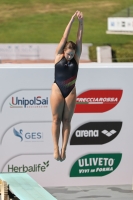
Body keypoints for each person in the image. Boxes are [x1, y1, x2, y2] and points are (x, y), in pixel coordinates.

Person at [50, 10, 83, 161]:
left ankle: (64, 148)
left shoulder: (76, 57)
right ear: (64, 51)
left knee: (67, 121)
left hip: (70, 90)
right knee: (56, 119)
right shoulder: (58, 56)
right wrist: (71, 20)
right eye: (68, 53)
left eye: (72, 54)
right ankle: (56, 148)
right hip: (57, 89)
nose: (69, 56)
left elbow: (79, 39)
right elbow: (65, 37)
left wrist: (81, 23)